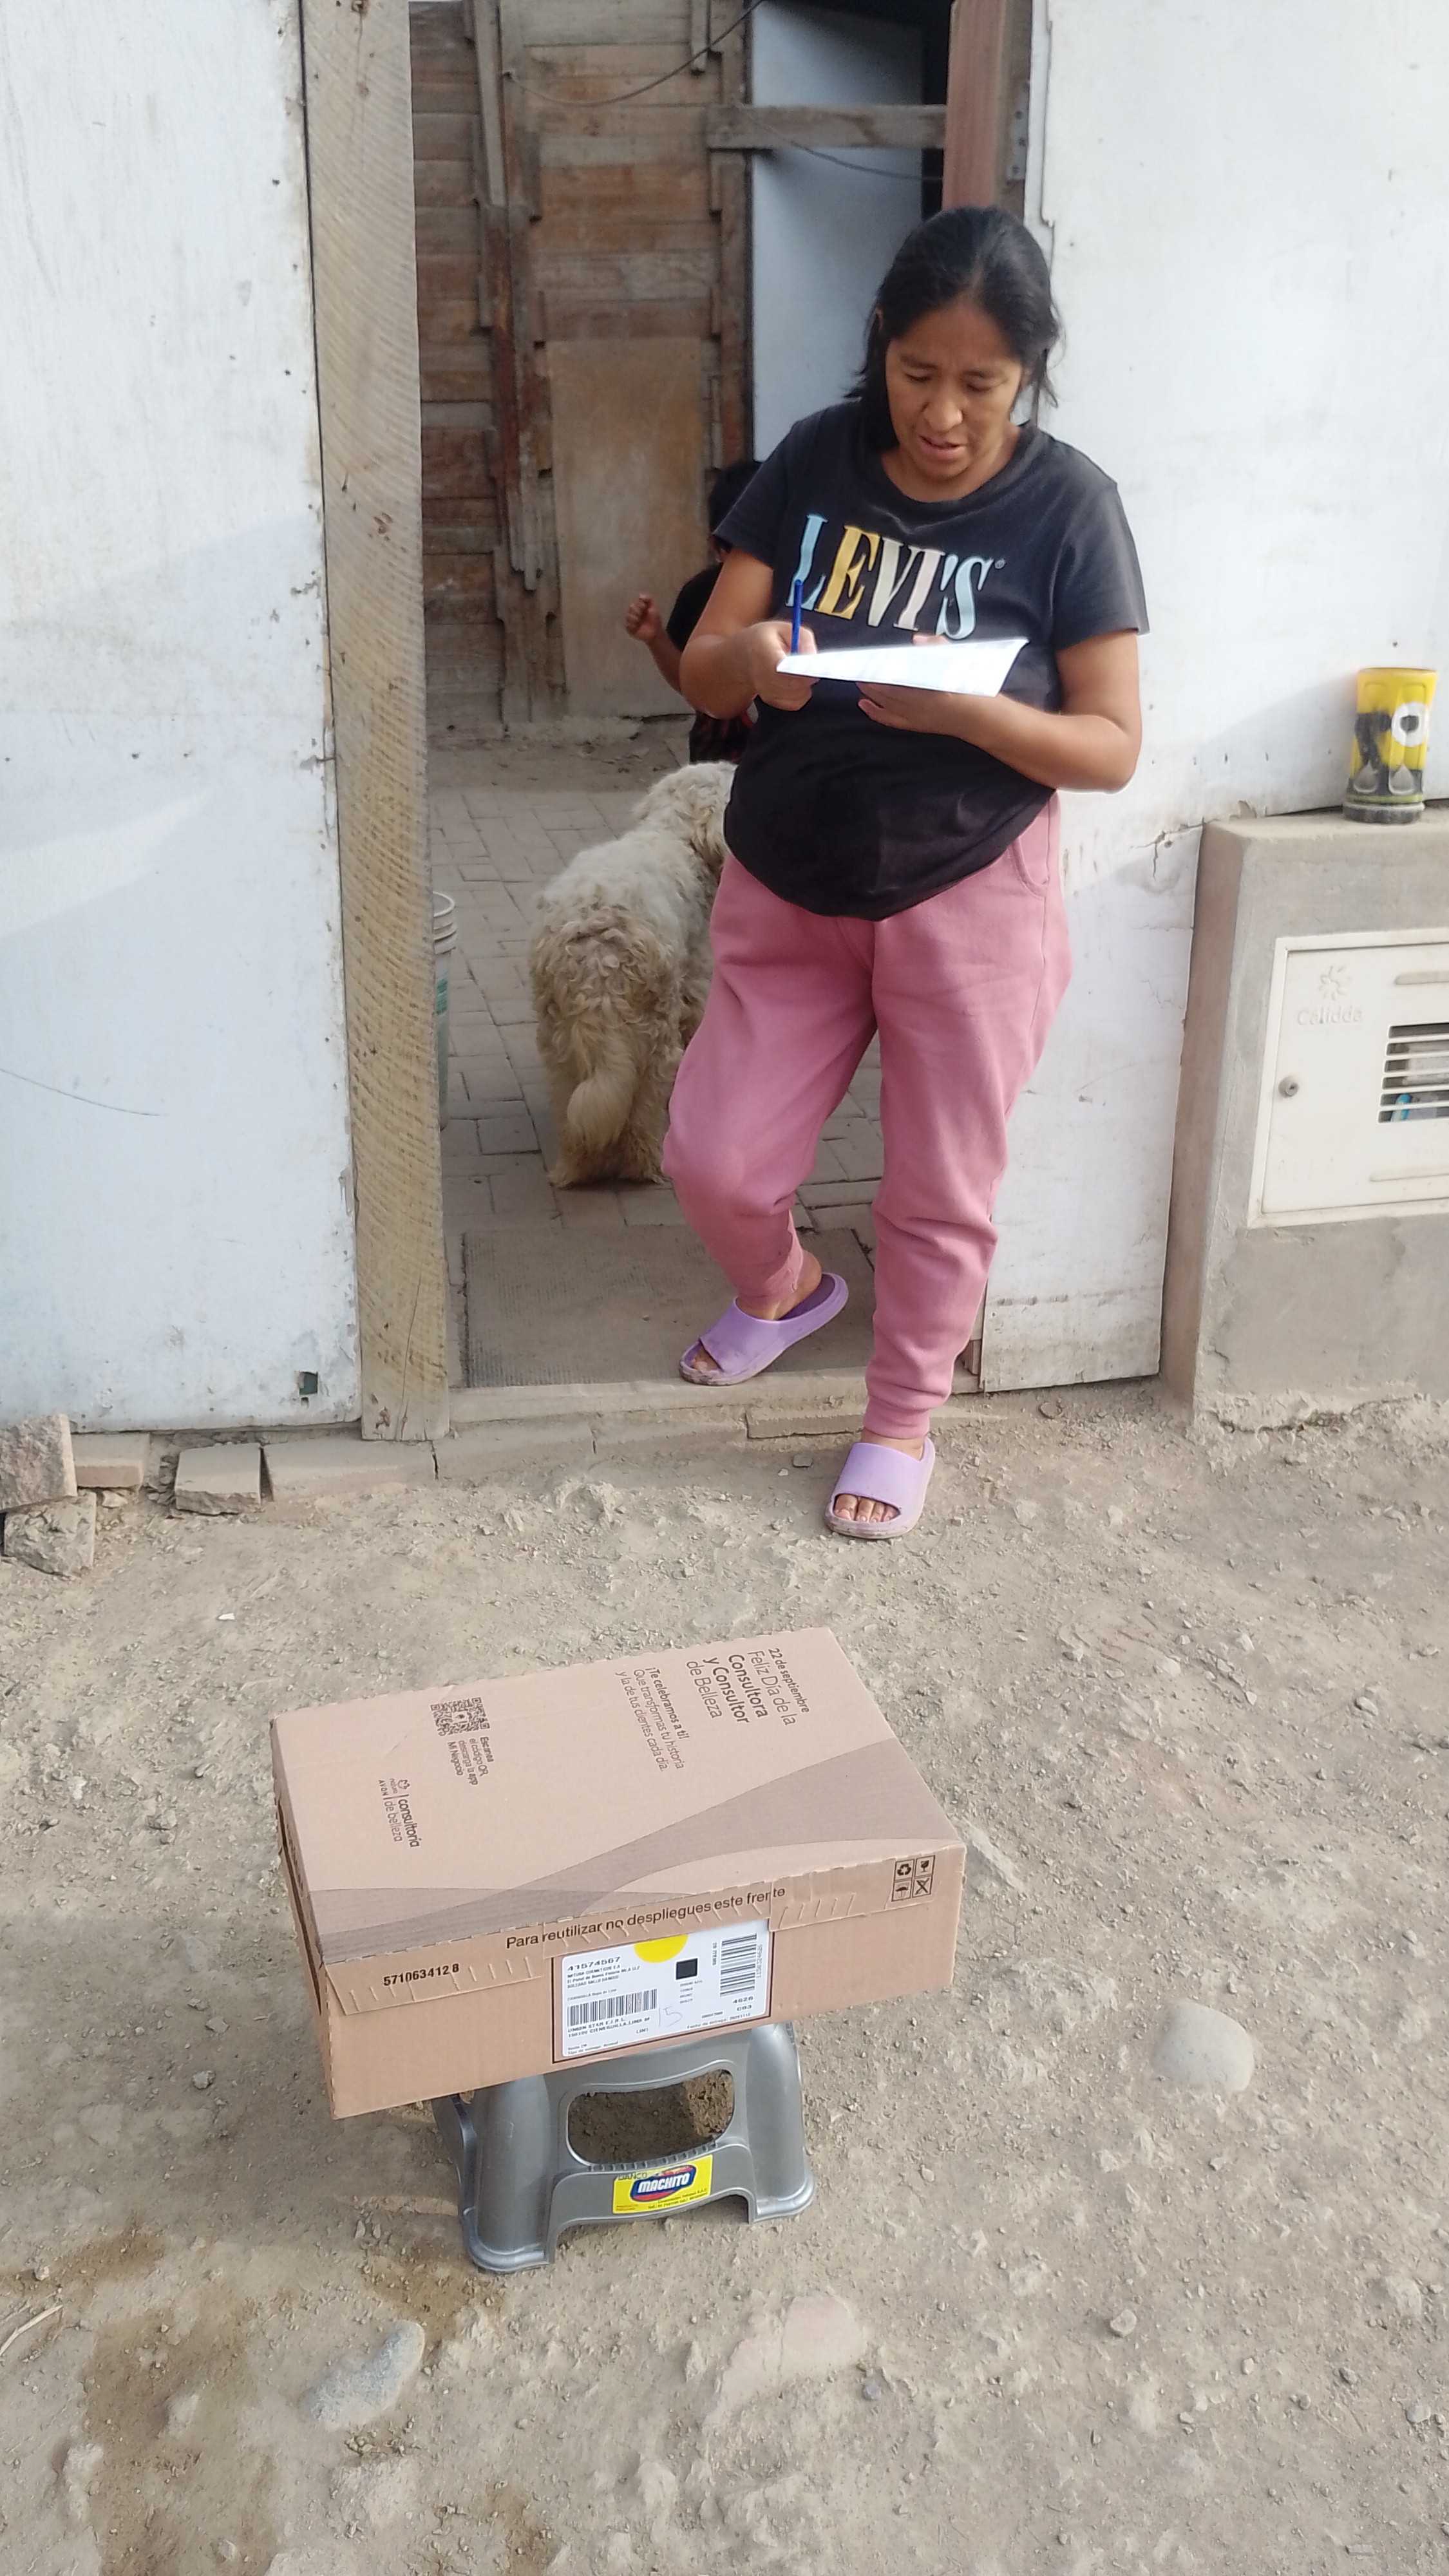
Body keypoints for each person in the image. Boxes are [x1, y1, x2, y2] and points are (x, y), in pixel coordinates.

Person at [664, 204, 1147, 1540]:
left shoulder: (1070, 506)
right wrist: (750, 662)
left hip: (970, 885)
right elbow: (708, 664)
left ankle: (900, 1416)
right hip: (789, 870)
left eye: (979, 384)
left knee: (938, 1183)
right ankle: (784, 1289)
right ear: (880, 343)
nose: (942, 413)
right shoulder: (816, 457)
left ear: (1029, 371)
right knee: (713, 1155)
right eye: (917, 372)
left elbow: (1111, 745)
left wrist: (974, 716)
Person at [623, 459, 761, 764]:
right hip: (718, 760)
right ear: (718, 548)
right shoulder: (700, 594)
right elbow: (692, 685)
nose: (753, 573)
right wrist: (656, 638)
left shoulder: (808, 597)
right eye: (740, 557)